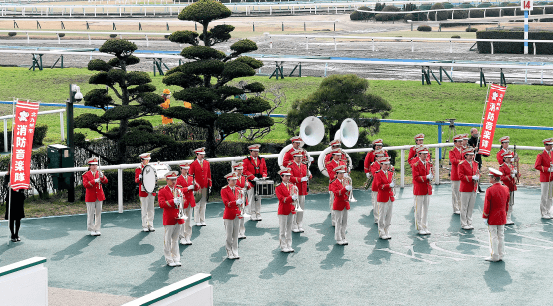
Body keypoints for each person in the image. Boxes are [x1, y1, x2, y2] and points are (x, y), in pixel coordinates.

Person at [483, 168, 510, 262]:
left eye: (490, 177)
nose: (489, 179)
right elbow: (507, 204)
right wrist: (505, 213)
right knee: (501, 235)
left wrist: (485, 216)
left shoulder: (490, 190)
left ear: (494, 178)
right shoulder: (506, 188)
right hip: (502, 215)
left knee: (493, 236)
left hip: (493, 216)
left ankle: (494, 255)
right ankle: (501, 254)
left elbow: (487, 206)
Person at [158, 171, 182, 267]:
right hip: (169, 218)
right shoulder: (162, 191)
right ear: (167, 180)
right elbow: (161, 204)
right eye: (172, 180)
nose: (174, 181)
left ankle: (176, 258)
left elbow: (183, 203)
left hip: (178, 217)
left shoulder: (178, 190)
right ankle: (169, 259)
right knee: (167, 240)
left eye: (175, 179)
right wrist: (173, 201)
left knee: (175, 240)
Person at [82, 157, 108, 236]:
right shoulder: (86, 174)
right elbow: (86, 185)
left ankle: (97, 228)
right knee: (90, 214)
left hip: (99, 196)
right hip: (90, 197)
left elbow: (106, 181)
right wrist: (94, 181)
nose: (95, 167)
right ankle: (91, 229)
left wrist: (102, 177)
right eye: (93, 165)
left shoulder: (99, 173)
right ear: (89, 166)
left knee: (98, 213)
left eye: (96, 165)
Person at [176, 162, 200, 245]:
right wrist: (187, 188)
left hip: (190, 201)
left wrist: (195, 184)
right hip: (183, 202)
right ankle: (181, 237)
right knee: (182, 220)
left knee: (189, 220)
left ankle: (188, 236)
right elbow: (178, 190)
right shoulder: (178, 179)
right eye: (184, 169)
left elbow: (197, 188)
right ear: (181, 169)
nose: (186, 170)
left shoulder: (191, 178)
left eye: (187, 169)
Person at [289, 150, 312, 233]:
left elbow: (309, 176)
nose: (299, 158)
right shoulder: (290, 166)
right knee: (294, 206)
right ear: (294, 157)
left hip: (302, 189)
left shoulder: (304, 166)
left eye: (300, 157)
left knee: (301, 207)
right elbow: (290, 178)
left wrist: (309, 175)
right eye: (297, 157)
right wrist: (300, 179)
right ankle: (293, 225)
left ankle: (300, 224)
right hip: (294, 189)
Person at [243, 144, 268, 221]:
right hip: (251, 182)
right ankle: (252, 213)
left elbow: (264, 169)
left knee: (258, 198)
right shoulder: (246, 160)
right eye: (254, 151)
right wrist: (253, 177)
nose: (256, 153)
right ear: (250, 152)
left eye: (257, 151)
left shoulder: (262, 159)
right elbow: (245, 171)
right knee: (251, 198)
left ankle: (258, 212)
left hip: (259, 181)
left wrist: (264, 176)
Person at [412, 146, 433, 235]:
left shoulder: (428, 164)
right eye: (423, 154)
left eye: (426, 154)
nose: (425, 155)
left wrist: (431, 177)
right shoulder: (416, 165)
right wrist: (426, 177)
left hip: (427, 189)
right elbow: (416, 178)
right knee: (419, 210)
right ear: (419, 155)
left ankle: (425, 226)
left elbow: (431, 173)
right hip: (419, 189)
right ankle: (419, 227)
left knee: (426, 210)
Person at [220, 172, 242, 260]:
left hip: (237, 213)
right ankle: (229, 251)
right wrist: (236, 202)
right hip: (229, 214)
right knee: (229, 235)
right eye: (232, 180)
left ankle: (235, 251)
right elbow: (226, 203)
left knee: (236, 234)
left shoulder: (238, 189)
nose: (234, 181)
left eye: (235, 180)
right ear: (228, 181)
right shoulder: (224, 190)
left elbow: (243, 201)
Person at [458, 147, 480, 230]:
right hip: (465, 188)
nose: (471, 156)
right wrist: (472, 178)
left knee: (471, 206)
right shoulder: (462, 164)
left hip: (473, 187)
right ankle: (464, 223)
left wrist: (477, 177)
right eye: (469, 155)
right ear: (465, 155)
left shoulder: (475, 163)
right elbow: (461, 176)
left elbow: (477, 172)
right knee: (464, 207)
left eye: (472, 155)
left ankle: (469, 222)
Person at [189, 147, 212, 226]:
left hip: (205, 185)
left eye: (203, 154)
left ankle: (202, 220)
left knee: (203, 203)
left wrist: (210, 185)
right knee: (197, 204)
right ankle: (197, 220)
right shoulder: (193, 164)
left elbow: (208, 175)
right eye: (201, 154)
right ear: (196, 154)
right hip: (197, 187)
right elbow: (190, 176)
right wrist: (194, 186)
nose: (202, 156)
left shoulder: (207, 163)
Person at [275, 168, 297, 252]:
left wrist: (295, 198)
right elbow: (281, 199)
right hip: (283, 210)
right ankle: (283, 246)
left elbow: (294, 196)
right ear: (282, 177)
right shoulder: (278, 187)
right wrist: (291, 198)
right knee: (283, 230)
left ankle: (289, 245)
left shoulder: (292, 186)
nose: (288, 177)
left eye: (289, 176)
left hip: (291, 209)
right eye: (286, 176)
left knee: (289, 229)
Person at [374, 157, 395, 239]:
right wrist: (388, 185)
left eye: (388, 164)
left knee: (389, 215)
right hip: (383, 196)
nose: (387, 166)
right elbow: (378, 186)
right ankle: (381, 232)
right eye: (385, 164)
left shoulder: (390, 173)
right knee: (382, 215)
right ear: (381, 165)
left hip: (390, 196)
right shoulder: (377, 174)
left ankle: (386, 230)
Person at [330, 165, 351, 245]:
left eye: (343, 173)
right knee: (338, 222)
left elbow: (348, 193)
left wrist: (349, 191)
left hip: (345, 203)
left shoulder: (346, 181)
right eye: (340, 173)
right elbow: (337, 193)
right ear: (337, 174)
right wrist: (345, 189)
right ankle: (338, 238)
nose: (342, 175)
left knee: (345, 222)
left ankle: (343, 237)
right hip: (338, 204)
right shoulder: (334, 183)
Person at [135, 153, 156, 232]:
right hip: (144, 191)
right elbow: (136, 180)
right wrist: (140, 178)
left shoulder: (152, 167)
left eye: (148, 160)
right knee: (144, 209)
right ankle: (144, 225)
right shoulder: (139, 168)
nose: (147, 161)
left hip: (151, 190)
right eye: (145, 160)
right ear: (142, 160)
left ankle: (150, 224)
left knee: (151, 209)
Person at [3, 168, 25, 242]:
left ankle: (17, 234)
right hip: (11, 199)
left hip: (19, 198)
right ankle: (12, 234)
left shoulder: (21, 173)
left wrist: (26, 187)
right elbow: (5, 184)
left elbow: (24, 184)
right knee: (11, 218)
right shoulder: (8, 175)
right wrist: (8, 185)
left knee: (18, 218)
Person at [534, 138, 553, 219]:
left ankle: (548, 211)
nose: (551, 146)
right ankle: (543, 212)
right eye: (550, 145)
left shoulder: (552, 153)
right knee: (544, 196)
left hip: (551, 177)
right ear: (546, 145)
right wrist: (547, 169)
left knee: (550, 196)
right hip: (545, 177)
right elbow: (537, 166)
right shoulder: (541, 155)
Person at [326, 150, 346, 226]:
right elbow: (331, 175)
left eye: (340, 155)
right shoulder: (330, 164)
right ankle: (334, 220)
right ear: (333, 155)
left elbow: (346, 172)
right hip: (334, 185)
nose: (339, 157)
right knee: (333, 203)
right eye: (337, 155)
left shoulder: (342, 163)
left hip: (342, 185)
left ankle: (341, 219)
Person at [499, 151, 519, 225]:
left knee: (511, 203)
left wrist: (517, 173)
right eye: (508, 158)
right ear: (504, 158)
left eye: (510, 158)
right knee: (505, 203)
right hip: (505, 186)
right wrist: (510, 176)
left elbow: (517, 175)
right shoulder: (502, 167)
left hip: (511, 186)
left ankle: (509, 217)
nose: (510, 159)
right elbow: (501, 177)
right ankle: (504, 217)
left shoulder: (512, 166)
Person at [233, 162, 252, 239]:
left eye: (241, 169)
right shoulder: (233, 178)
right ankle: (236, 233)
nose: (240, 171)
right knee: (237, 216)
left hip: (243, 197)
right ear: (235, 170)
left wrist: (248, 185)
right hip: (236, 197)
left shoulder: (244, 177)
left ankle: (242, 232)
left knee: (242, 216)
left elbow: (249, 187)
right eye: (238, 169)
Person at [369, 150, 387, 223]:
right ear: (376, 158)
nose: (381, 157)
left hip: (384, 187)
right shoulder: (373, 165)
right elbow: (375, 175)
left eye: (382, 156)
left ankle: (382, 216)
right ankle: (377, 218)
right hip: (376, 187)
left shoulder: (385, 164)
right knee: (376, 203)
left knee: (383, 203)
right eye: (379, 156)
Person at [449, 134, 464, 214]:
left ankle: (461, 206)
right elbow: (453, 161)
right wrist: (462, 162)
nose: (461, 143)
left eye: (461, 141)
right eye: (459, 141)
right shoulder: (452, 151)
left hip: (463, 174)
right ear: (455, 143)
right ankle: (455, 208)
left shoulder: (464, 150)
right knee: (455, 192)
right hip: (456, 174)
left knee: (461, 192)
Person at [468, 128, 484, 193]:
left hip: (478, 159)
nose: (476, 133)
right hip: (472, 159)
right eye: (475, 132)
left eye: (477, 132)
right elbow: (468, 149)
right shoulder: (469, 141)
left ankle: (478, 187)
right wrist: (474, 149)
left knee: (478, 173)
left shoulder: (479, 140)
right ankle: (473, 187)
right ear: (471, 133)